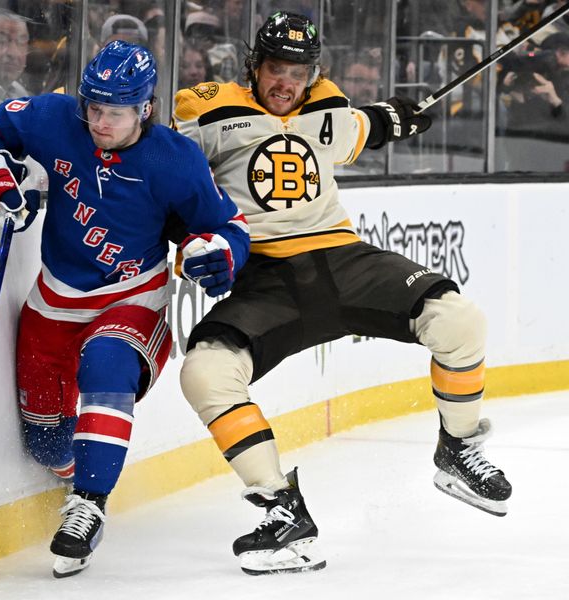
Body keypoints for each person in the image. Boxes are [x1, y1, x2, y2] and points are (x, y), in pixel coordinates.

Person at [174, 11, 512, 575]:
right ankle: (281, 511)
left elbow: (368, 126)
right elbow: (166, 177)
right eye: (276, 69)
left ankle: (458, 450)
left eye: (298, 72)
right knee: (204, 374)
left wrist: (397, 118)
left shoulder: (326, 105)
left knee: (459, 321)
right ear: (254, 66)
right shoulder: (205, 109)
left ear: (313, 74)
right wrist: (191, 243)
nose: (286, 83)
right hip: (266, 276)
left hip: (343, 260)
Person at [0, 40, 250, 578]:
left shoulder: (174, 158)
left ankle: (89, 505)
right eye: (93, 107)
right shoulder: (56, 118)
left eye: (115, 111)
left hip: (133, 298)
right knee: (45, 442)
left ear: (144, 109)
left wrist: (219, 254)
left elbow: (228, 226)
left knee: (106, 365)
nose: (99, 121)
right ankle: (82, 466)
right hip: (54, 300)